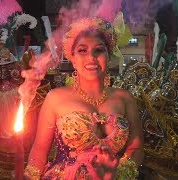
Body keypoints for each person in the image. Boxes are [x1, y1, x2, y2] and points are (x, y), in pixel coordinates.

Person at [24, 17, 143, 179]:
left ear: (109, 55)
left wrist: (117, 173)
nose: (91, 57)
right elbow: (39, 150)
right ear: (72, 58)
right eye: (82, 50)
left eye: (99, 50)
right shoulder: (55, 98)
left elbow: (136, 148)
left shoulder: (125, 98)